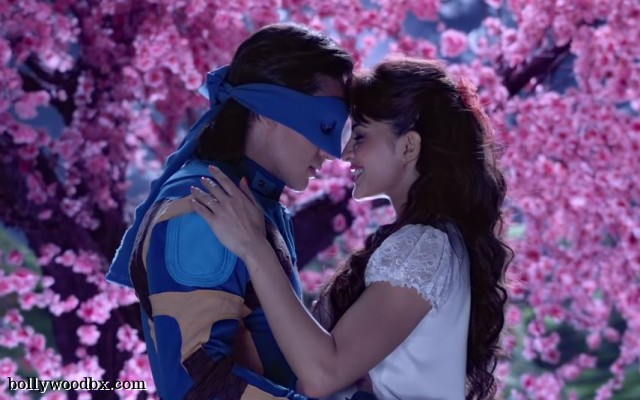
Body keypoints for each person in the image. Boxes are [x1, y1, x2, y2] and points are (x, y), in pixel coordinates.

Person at [189, 58, 513, 399]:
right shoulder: (425, 241)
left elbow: (322, 375)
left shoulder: (425, 246)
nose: (345, 153)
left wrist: (255, 249)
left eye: (359, 136)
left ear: (409, 147)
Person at [105, 23, 362, 399]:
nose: (331, 152)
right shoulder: (202, 206)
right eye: (324, 125)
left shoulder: (248, 200)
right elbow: (199, 382)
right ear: (269, 111)